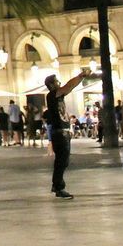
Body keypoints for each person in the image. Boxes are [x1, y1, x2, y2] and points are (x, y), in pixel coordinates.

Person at [45, 69, 88, 198]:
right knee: (61, 161)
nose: (59, 83)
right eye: (57, 81)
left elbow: (67, 88)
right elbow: (68, 87)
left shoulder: (57, 96)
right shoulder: (52, 95)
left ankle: (57, 185)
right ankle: (58, 187)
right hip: (59, 133)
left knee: (63, 161)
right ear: (52, 85)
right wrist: (81, 76)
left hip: (62, 132)